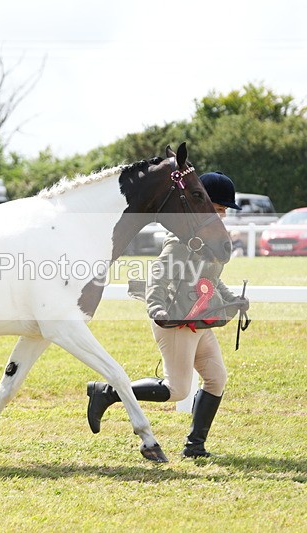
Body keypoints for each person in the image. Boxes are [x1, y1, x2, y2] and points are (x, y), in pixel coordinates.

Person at [86, 171, 250, 458]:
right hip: (175, 321)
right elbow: (158, 276)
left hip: (199, 320)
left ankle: (195, 446)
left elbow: (209, 278)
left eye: (224, 211)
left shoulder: (209, 239)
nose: (222, 216)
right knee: (177, 390)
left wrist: (232, 299)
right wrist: (156, 307)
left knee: (215, 379)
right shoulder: (180, 240)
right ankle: (109, 392)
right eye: (219, 209)